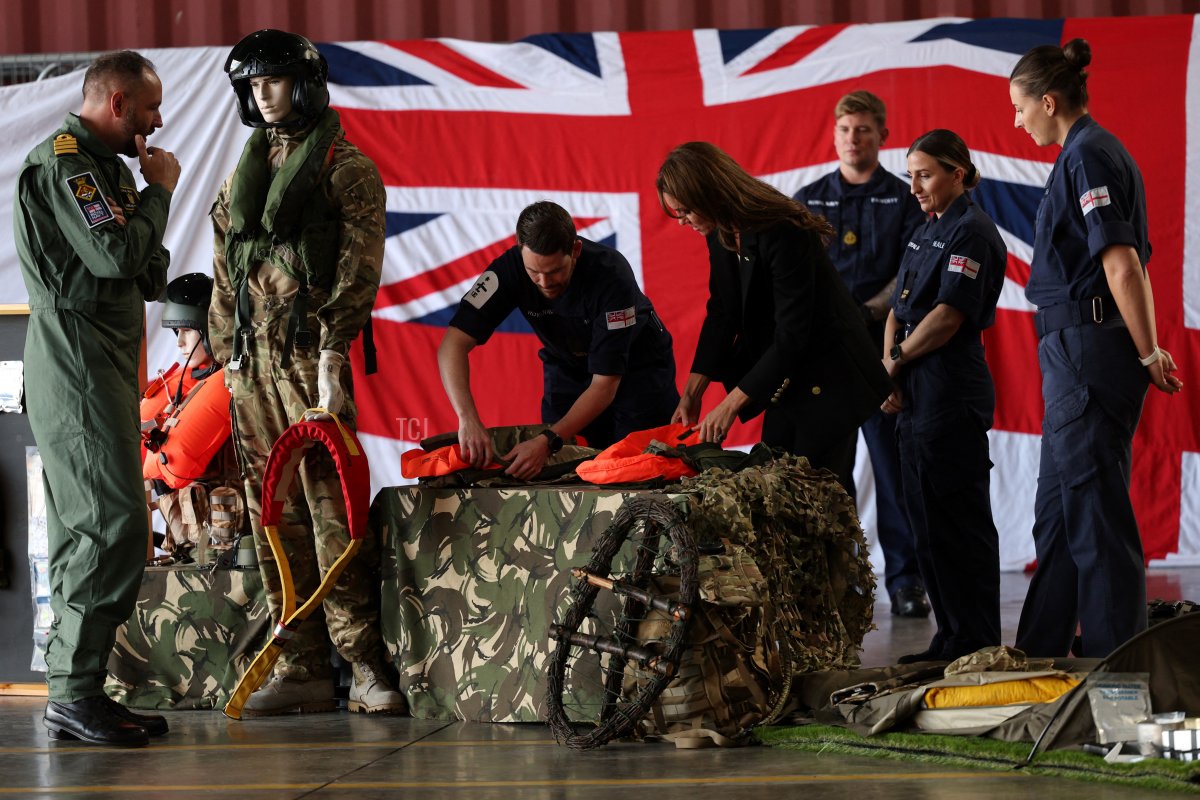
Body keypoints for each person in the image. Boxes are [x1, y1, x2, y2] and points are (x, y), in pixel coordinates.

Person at [209, 29, 404, 716]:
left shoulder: (344, 169)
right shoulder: (243, 172)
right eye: (252, 83)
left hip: (308, 360)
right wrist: (224, 357)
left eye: (274, 80)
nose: (261, 94)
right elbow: (226, 270)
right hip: (251, 370)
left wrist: (333, 351)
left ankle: (365, 664)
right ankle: (301, 662)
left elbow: (359, 266)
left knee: (332, 511)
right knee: (273, 517)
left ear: (306, 84)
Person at [14, 50, 180, 746]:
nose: (157, 120)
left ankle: (81, 691)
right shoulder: (67, 164)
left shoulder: (107, 168)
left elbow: (150, 274)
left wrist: (143, 207)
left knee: (100, 523)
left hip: (104, 357)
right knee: (109, 523)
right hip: (76, 357)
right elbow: (119, 258)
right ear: (116, 104)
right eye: (148, 108)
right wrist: (161, 193)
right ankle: (73, 691)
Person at [1008, 40, 1183, 658]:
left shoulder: (1089, 155)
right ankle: (1037, 659)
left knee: (1095, 518)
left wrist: (1148, 351)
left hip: (1089, 350)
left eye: (1019, 107)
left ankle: (1119, 674)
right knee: (1057, 517)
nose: (1016, 119)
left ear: (1048, 101)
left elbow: (1124, 265)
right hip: (1070, 351)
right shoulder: (1081, 154)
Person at [657, 141, 892, 489]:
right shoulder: (720, 229)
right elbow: (723, 311)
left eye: (685, 211)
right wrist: (693, 392)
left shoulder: (782, 229)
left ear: (708, 194)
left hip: (831, 378)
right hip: (789, 378)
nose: (682, 222)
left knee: (816, 498)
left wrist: (730, 404)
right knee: (776, 485)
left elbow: (792, 335)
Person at [794, 91, 931, 619]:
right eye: (847, 129)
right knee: (831, 473)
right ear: (834, 136)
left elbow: (912, 274)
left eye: (865, 130)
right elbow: (799, 276)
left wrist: (868, 314)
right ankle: (841, 583)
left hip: (883, 349)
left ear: (883, 137)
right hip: (825, 357)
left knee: (894, 472)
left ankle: (906, 581)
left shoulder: (903, 199)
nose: (855, 138)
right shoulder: (807, 199)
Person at [439, 200, 679, 479]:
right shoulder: (507, 270)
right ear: (520, 252)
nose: (544, 282)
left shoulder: (612, 275)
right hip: (567, 366)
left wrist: (548, 440)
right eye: (534, 273)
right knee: (562, 471)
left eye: (555, 271)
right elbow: (452, 345)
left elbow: (604, 384)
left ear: (575, 250)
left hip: (636, 370)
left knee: (635, 468)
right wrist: (467, 418)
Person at [881, 130, 1006, 663]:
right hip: (914, 387)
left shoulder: (972, 232)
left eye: (925, 174)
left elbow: (948, 317)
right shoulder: (926, 228)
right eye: (910, 174)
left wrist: (897, 360)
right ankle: (950, 637)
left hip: (949, 390)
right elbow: (897, 305)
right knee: (925, 520)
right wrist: (889, 368)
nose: (914, 185)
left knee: (959, 522)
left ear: (958, 173)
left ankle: (976, 640)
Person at [140, 273, 241, 562]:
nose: (180, 343)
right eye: (176, 333)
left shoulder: (239, 388)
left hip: (229, 546)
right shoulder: (182, 389)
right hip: (188, 545)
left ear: (211, 330)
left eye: (187, 330)